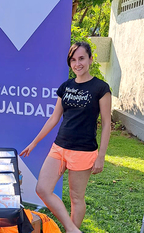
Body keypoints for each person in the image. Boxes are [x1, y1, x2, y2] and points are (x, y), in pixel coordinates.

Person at [20, 42, 111, 233]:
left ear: (90, 59)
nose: (77, 63)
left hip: (84, 150)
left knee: (76, 197)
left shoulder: (101, 88)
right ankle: (71, 229)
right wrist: (34, 142)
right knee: (42, 189)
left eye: (81, 58)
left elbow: (106, 124)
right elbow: (54, 118)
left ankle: (72, 230)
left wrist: (101, 156)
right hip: (59, 147)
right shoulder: (66, 86)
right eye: (73, 60)